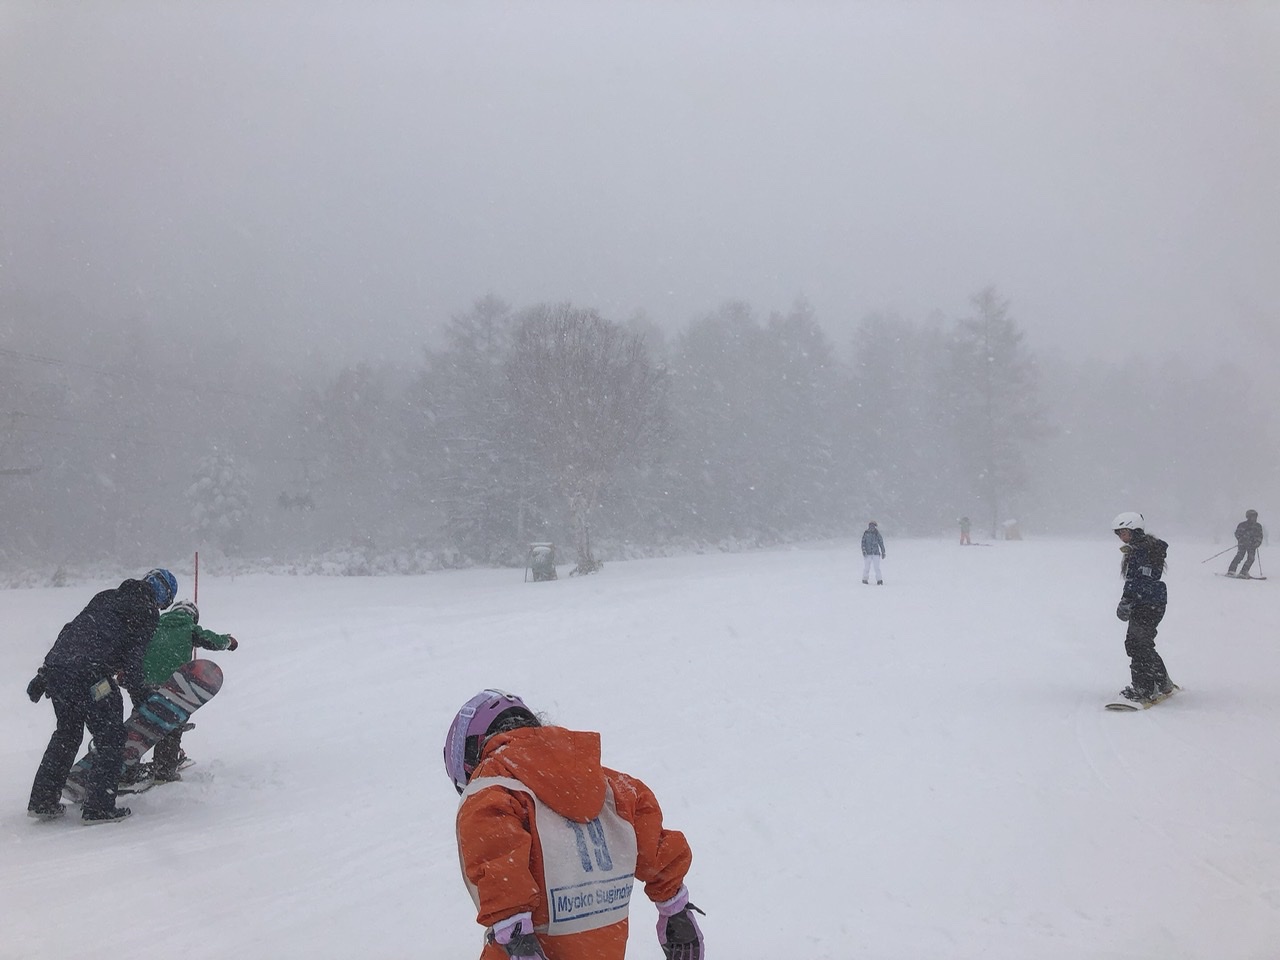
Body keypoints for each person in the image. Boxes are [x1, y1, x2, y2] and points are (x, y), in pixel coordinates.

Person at [444, 689, 703, 960]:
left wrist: (516, 935)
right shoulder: (608, 786)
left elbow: (495, 849)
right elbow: (653, 842)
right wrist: (674, 908)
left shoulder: (493, 785)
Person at [26, 567, 177, 824]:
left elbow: (71, 631)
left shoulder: (106, 596)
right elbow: (134, 660)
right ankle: (99, 807)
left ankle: (43, 801)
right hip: (92, 676)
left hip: (59, 671)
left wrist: (44, 673)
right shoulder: (147, 611)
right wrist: (142, 698)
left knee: (67, 734)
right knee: (111, 737)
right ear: (163, 596)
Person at [128, 599, 238, 784]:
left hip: (142, 683)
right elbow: (211, 639)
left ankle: (126, 769)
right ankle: (164, 770)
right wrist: (228, 641)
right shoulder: (188, 626)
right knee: (170, 725)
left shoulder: (154, 625)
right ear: (193, 616)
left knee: (140, 723)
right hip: (171, 685)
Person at [1111, 513, 1175, 704]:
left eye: (1124, 532)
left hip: (1148, 603)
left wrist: (1128, 599)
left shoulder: (1144, 550)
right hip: (1149, 601)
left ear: (1135, 530)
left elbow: (1141, 580)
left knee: (1137, 644)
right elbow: (1136, 580)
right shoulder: (1141, 548)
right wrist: (1128, 599)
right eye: (1118, 533)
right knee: (1142, 643)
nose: (1121, 536)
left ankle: (1144, 689)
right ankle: (1162, 682)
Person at [1226, 509, 1264, 578]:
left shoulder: (1258, 526)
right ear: (1248, 517)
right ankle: (1231, 570)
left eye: (1255, 516)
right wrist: (1242, 540)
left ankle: (1244, 572)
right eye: (1252, 516)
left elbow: (1260, 536)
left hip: (1252, 545)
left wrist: (1257, 543)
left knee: (1251, 558)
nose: (1254, 518)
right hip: (1243, 544)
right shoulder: (1242, 525)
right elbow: (1237, 534)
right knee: (1240, 556)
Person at [861, 520, 886, 584]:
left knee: (877, 568)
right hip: (868, 553)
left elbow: (881, 543)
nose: (872, 527)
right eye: (871, 526)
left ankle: (879, 580)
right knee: (867, 567)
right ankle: (865, 579)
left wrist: (883, 551)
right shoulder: (866, 533)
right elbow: (863, 542)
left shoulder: (877, 533)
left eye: (873, 526)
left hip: (876, 553)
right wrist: (864, 550)